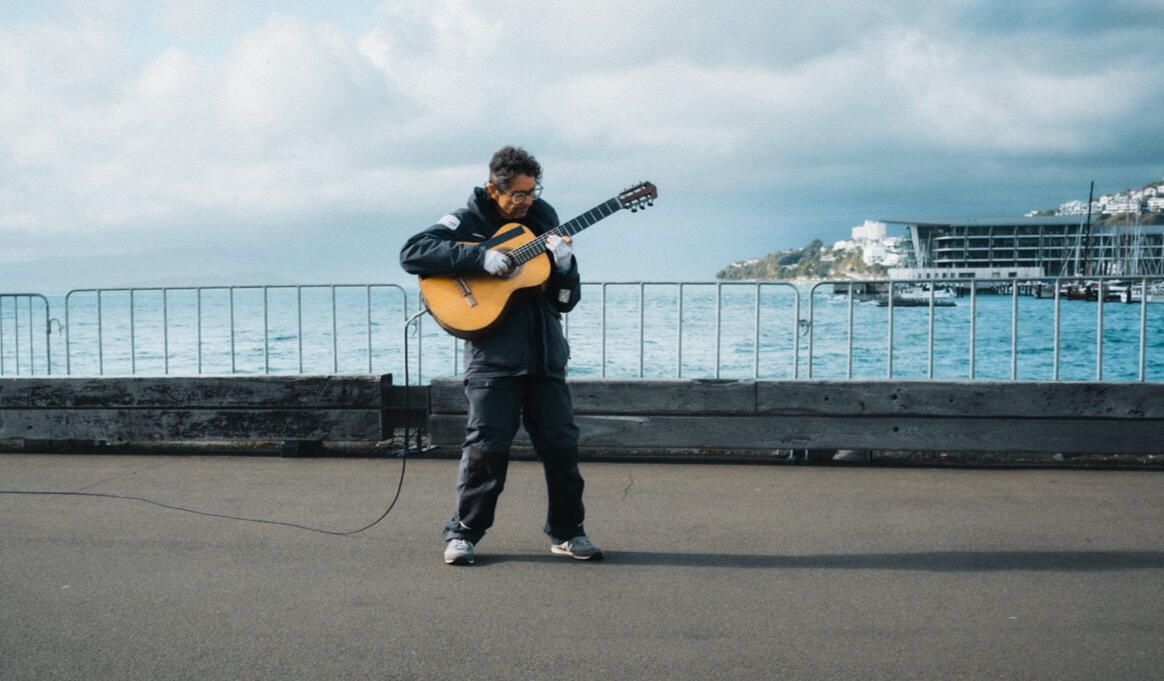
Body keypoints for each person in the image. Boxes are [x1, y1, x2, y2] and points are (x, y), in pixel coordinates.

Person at [399, 146, 603, 566]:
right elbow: (413, 252)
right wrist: (480, 257)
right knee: (486, 450)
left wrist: (565, 267)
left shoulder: (545, 220)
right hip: (493, 359)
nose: (527, 202)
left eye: (533, 192)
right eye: (519, 195)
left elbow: (565, 302)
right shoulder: (466, 219)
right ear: (495, 189)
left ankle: (568, 533)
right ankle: (464, 534)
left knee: (562, 447)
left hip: (546, 356)